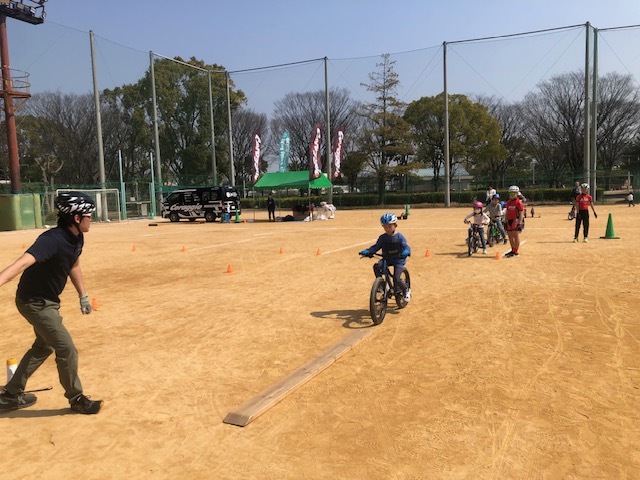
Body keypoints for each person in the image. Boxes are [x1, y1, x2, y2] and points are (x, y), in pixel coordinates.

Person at [0, 192, 103, 414]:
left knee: (43, 346)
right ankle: (76, 398)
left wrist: (83, 295)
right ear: (76, 218)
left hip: (48, 302)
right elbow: (21, 263)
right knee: (66, 348)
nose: (91, 219)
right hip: (34, 303)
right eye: (89, 215)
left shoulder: (76, 237)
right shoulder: (51, 240)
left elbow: (73, 264)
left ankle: (11, 393)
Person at [359, 213, 411, 301]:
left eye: (390, 226)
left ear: (395, 226)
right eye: (385, 227)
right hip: (387, 258)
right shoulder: (383, 238)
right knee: (377, 266)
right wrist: (368, 251)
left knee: (396, 278)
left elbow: (406, 246)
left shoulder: (400, 237)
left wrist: (406, 251)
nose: (387, 229)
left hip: (398, 259)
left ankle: (406, 290)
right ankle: (380, 285)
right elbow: (376, 247)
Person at [504, 185, 525, 257]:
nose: (511, 195)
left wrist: (519, 223)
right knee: (510, 236)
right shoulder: (508, 202)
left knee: (515, 236)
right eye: (510, 193)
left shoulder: (519, 203)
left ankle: (516, 251)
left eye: (513, 193)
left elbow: (521, 213)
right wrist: (505, 221)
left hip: (516, 220)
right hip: (509, 220)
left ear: (517, 194)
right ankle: (513, 250)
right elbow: (507, 212)